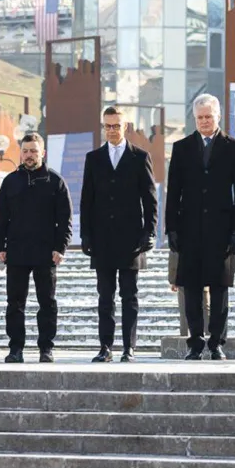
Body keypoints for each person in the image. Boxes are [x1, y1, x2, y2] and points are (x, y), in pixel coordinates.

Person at [167, 93, 235, 360]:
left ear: (218, 117)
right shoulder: (181, 148)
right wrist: (172, 229)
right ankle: (195, 342)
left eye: (208, 117)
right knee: (190, 287)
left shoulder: (234, 147)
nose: (204, 121)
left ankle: (216, 342)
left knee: (219, 287)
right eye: (200, 117)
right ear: (195, 118)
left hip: (221, 229)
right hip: (189, 229)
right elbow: (173, 192)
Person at [80, 106, 157, 362]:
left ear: (125, 127)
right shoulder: (93, 158)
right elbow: (86, 200)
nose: (112, 130)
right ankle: (105, 347)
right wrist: (86, 235)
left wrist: (150, 232)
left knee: (129, 295)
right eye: (107, 126)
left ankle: (129, 347)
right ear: (103, 127)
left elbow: (150, 199)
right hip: (102, 240)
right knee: (105, 296)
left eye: (116, 125)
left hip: (131, 240)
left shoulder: (139, 157)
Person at [0, 132, 73, 363]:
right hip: (16, 252)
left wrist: (61, 248)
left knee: (47, 303)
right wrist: (0, 246)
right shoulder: (10, 181)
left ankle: (46, 348)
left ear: (43, 153)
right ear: (21, 152)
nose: (29, 156)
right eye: (26, 151)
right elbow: (0, 217)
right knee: (15, 303)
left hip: (46, 252)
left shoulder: (56, 182)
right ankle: (15, 349)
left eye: (34, 151)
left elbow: (65, 220)